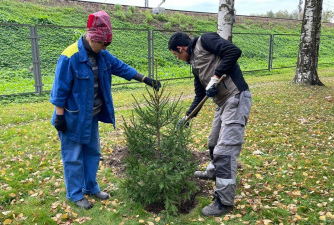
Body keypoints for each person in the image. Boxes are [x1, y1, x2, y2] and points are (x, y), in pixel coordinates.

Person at [50, 11, 161, 210]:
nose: (105, 48)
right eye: (103, 44)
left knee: (92, 152)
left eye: (107, 45)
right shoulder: (69, 57)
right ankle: (75, 194)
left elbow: (120, 67)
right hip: (71, 118)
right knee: (73, 157)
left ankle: (90, 187)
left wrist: (144, 79)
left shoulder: (102, 54)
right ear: (93, 38)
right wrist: (59, 116)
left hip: (91, 116)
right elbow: (59, 89)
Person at [168, 32, 252, 217]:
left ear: (181, 49)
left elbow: (233, 51)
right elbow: (200, 95)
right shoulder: (195, 66)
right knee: (213, 143)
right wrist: (187, 117)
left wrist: (216, 76)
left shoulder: (205, 41)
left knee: (225, 151)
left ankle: (224, 201)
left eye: (176, 55)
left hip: (236, 97)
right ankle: (214, 172)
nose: (178, 58)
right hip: (222, 104)